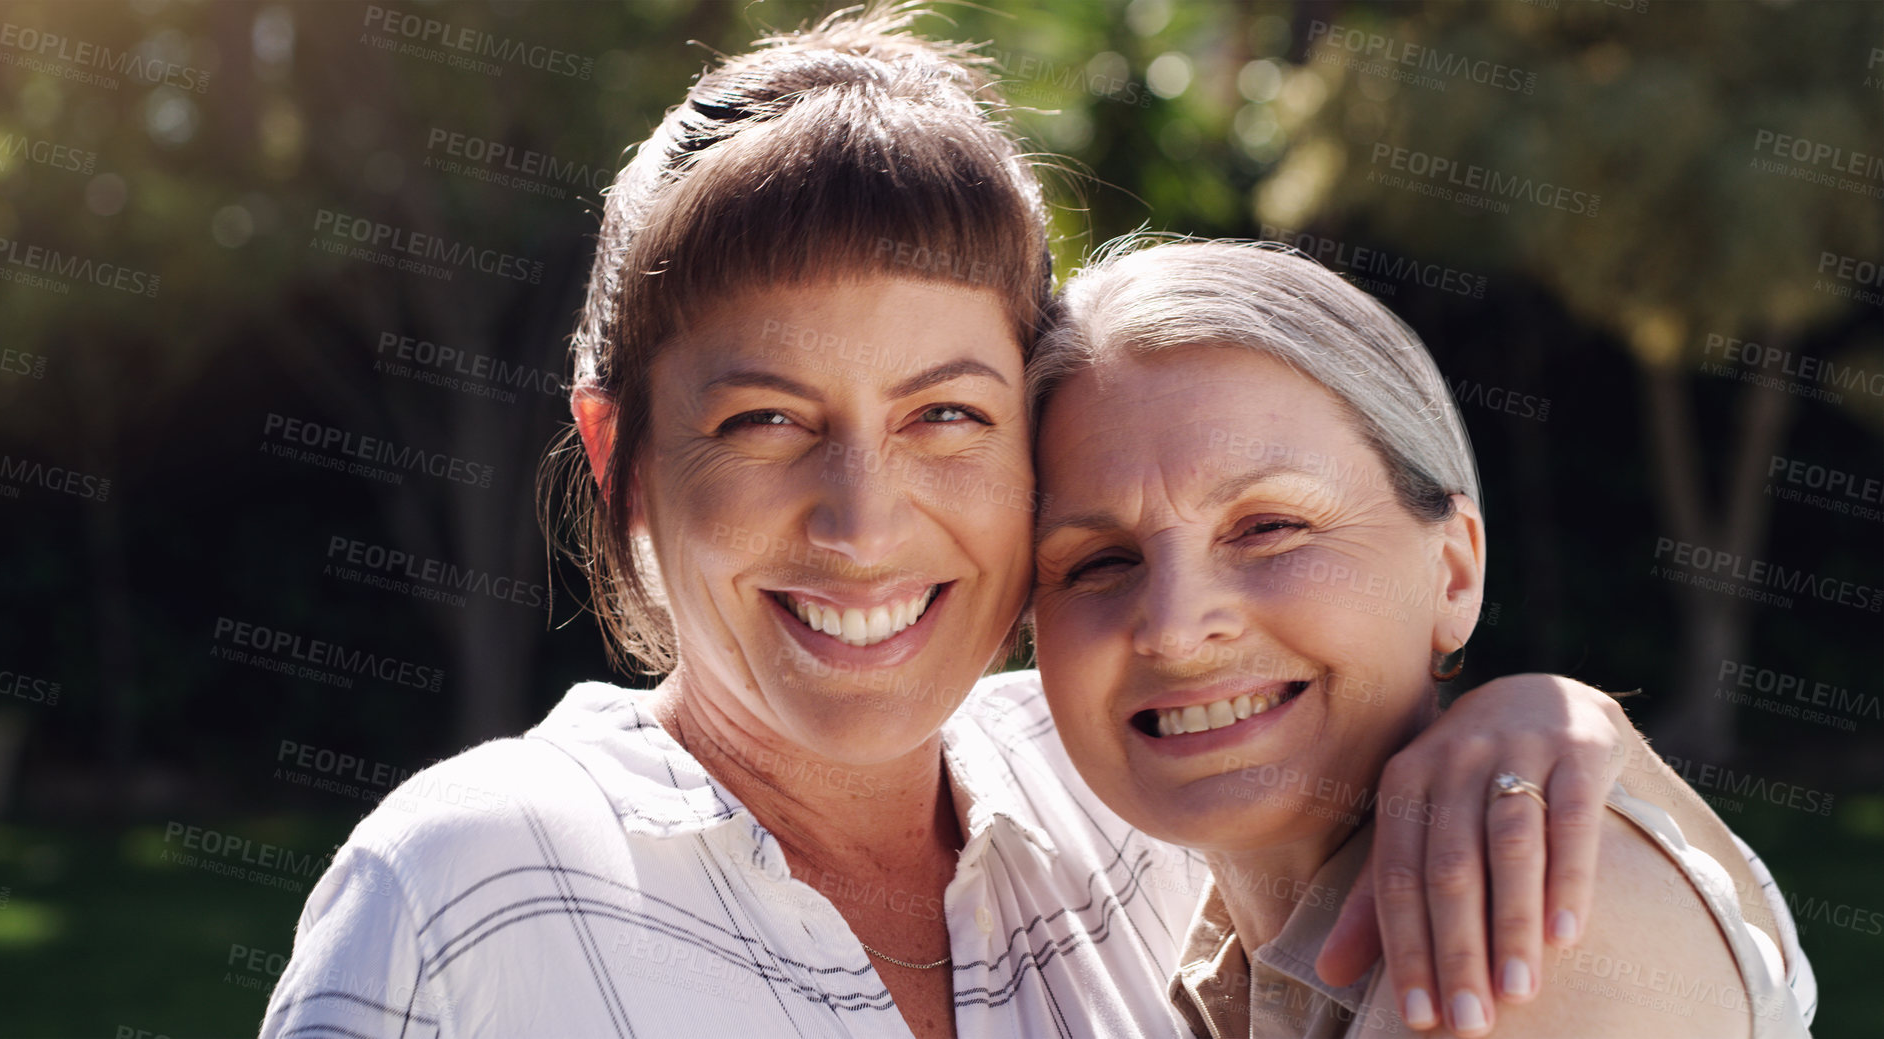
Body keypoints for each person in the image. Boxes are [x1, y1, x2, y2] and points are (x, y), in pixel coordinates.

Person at [258, 10, 1778, 1038]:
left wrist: (1556, 726)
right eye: (765, 419)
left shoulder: (1119, 790)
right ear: (621, 454)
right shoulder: (472, 883)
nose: (861, 522)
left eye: (945, 415)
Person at [1026, 238, 1817, 1038]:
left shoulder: (1532, 907)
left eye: (1268, 527)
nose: (1176, 628)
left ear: (1454, 573)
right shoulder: (1193, 943)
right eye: (1099, 562)